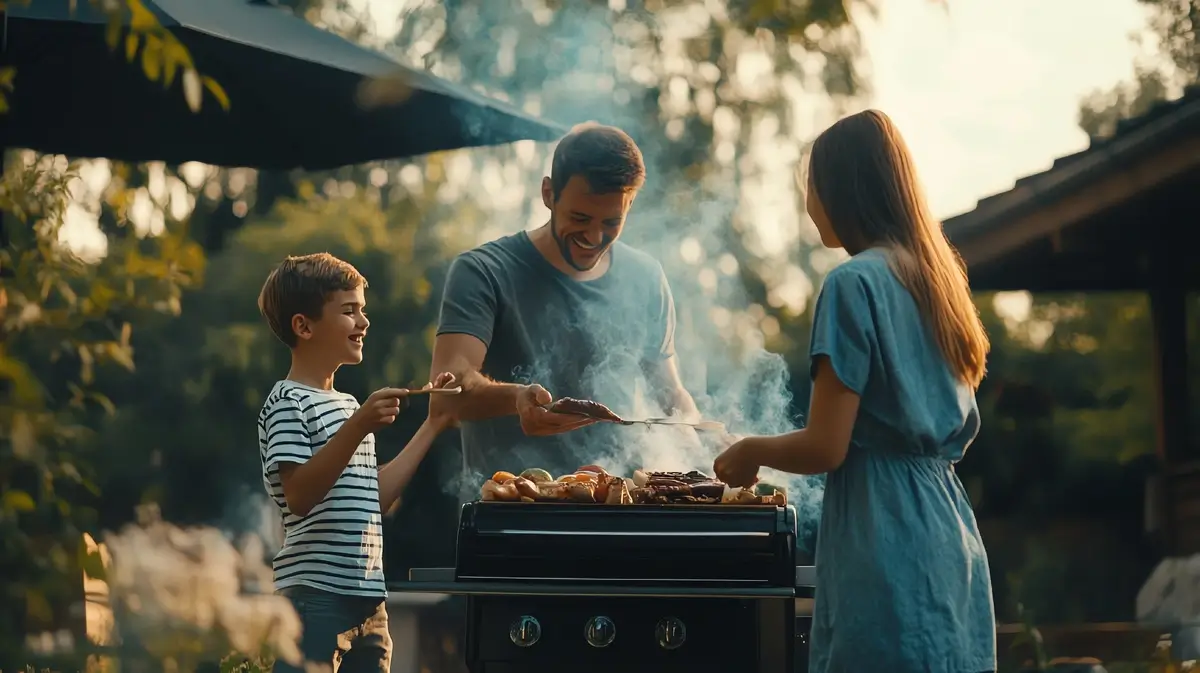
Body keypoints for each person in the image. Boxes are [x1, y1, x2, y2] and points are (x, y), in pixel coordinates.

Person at [713, 110, 997, 673]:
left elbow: (826, 447)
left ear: (842, 191)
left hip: (884, 536)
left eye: (811, 187)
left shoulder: (852, 284)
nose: (808, 203)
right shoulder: (937, 281)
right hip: (950, 533)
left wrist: (751, 451)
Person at [429, 122, 700, 481]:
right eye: (580, 218)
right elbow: (446, 394)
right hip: (510, 517)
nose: (593, 236)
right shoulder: (483, 271)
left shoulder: (646, 278)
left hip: (617, 511)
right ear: (548, 193)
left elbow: (668, 392)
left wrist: (709, 447)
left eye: (611, 222)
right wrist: (516, 398)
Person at [256, 253, 454, 673]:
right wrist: (360, 424)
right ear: (303, 326)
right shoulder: (287, 403)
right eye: (349, 311)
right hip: (315, 600)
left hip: (370, 605)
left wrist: (433, 424)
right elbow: (300, 496)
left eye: (362, 310)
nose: (363, 322)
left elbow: (374, 499)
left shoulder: (346, 404)